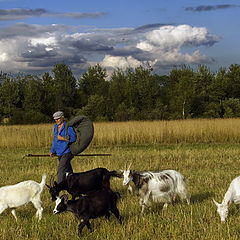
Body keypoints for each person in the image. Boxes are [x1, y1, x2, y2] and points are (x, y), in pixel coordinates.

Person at [50, 111, 77, 183]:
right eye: (55, 119)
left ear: (62, 118)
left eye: (58, 119)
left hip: (67, 152)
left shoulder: (68, 127)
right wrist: (52, 150)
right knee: (68, 171)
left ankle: (59, 187)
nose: (56, 121)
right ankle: (73, 184)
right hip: (59, 152)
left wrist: (62, 138)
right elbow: (55, 140)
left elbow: (73, 138)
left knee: (61, 170)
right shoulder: (55, 127)